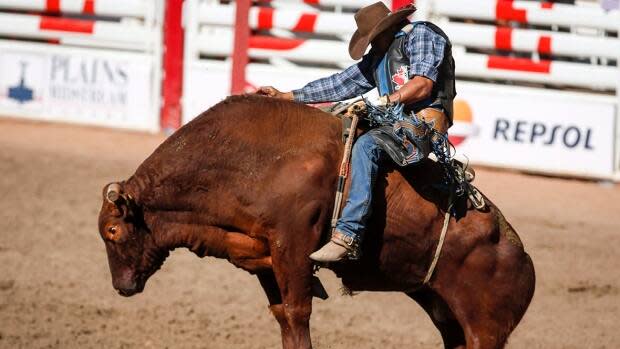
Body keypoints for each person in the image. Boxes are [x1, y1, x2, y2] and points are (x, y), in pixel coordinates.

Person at [257, 1, 456, 262]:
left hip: (423, 125)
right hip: (395, 122)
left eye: (372, 39)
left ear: (384, 31)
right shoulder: (379, 57)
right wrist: (289, 96)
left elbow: (422, 85)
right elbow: (339, 84)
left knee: (367, 145)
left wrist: (386, 101)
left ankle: (349, 234)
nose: (371, 45)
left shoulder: (422, 35)